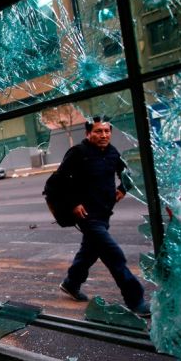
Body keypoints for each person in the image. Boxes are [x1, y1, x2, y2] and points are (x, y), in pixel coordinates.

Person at [57, 116, 150, 317]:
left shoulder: (112, 152)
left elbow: (126, 172)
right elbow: (59, 181)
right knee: (113, 254)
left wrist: (123, 188)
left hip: (104, 213)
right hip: (87, 216)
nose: (104, 135)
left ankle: (71, 283)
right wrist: (73, 203)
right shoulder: (78, 153)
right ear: (88, 133)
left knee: (89, 252)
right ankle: (136, 301)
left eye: (107, 131)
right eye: (98, 131)